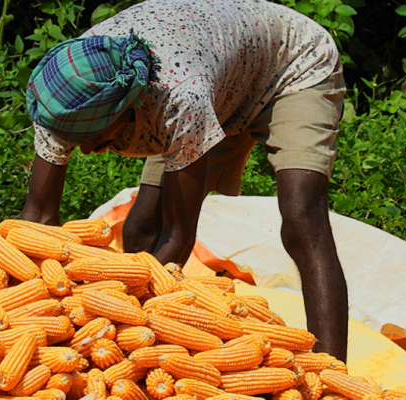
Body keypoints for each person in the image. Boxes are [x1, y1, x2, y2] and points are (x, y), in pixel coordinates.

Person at [20, 0, 349, 360]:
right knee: (140, 227)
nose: (85, 151)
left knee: (303, 217)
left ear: (129, 107)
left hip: (289, 65)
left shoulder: (176, 98)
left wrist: (121, 312)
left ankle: (331, 375)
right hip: (218, 69)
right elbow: (38, 220)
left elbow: (178, 235)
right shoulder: (63, 94)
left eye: (95, 139)